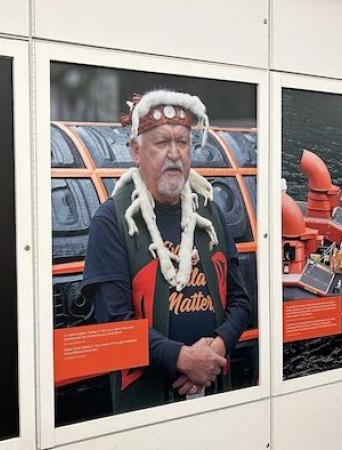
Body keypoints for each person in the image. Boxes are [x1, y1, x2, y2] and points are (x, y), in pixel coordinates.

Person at [82, 89, 252, 412]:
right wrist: (183, 360)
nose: (174, 153)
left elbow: (242, 302)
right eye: (161, 142)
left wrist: (214, 351)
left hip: (215, 401)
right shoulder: (113, 220)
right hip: (147, 413)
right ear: (136, 150)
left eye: (183, 142)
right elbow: (114, 329)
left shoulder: (210, 213)